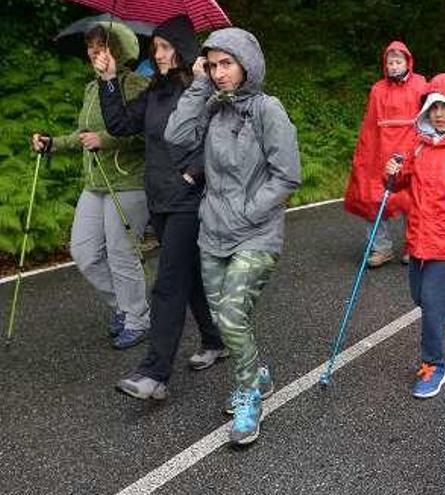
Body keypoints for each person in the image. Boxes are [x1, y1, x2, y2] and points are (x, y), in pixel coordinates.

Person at [165, 27, 300, 445]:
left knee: (230, 317)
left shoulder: (267, 109)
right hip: (213, 231)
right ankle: (258, 375)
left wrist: (249, 210)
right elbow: (175, 137)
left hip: (257, 233)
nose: (219, 72)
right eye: (212, 64)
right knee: (227, 324)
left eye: (227, 64)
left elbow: (287, 175)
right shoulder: (210, 106)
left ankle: (248, 397)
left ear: (246, 65)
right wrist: (197, 87)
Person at [93, 15, 227, 400]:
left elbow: (214, 136)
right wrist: (108, 79)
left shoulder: (201, 90)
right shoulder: (155, 91)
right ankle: (215, 340)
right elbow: (119, 124)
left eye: (166, 47)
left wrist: (194, 173)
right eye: (156, 48)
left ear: (184, 51)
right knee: (190, 276)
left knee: (168, 282)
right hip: (159, 199)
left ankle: (155, 372)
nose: (159, 54)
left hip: (188, 199)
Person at [31, 22, 150, 349]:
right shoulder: (90, 88)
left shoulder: (136, 84)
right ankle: (125, 309)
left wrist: (107, 140)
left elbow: (146, 133)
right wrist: (52, 143)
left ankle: (138, 318)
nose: (94, 52)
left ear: (120, 50)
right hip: (95, 183)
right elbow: (85, 136)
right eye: (91, 47)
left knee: (121, 253)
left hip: (127, 182)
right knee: (84, 253)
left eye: (102, 46)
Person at [384, 73, 445, 399]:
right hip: (418, 239)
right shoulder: (418, 145)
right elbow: (397, 183)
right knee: (420, 298)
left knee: (432, 306)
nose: (438, 113)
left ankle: (433, 365)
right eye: (433, 106)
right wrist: (392, 173)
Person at [344, 42, 427, 268]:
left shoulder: (420, 85)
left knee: (415, 200)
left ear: (407, 62)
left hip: (411, 152)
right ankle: (381, 247)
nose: (394, 66)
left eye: (398, 62)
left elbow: (427, 119)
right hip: (382, 155)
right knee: (372, 198)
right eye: (390, 62)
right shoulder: (378, 90)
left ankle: (414, 246)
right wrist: (364, 157)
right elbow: (370, 126)